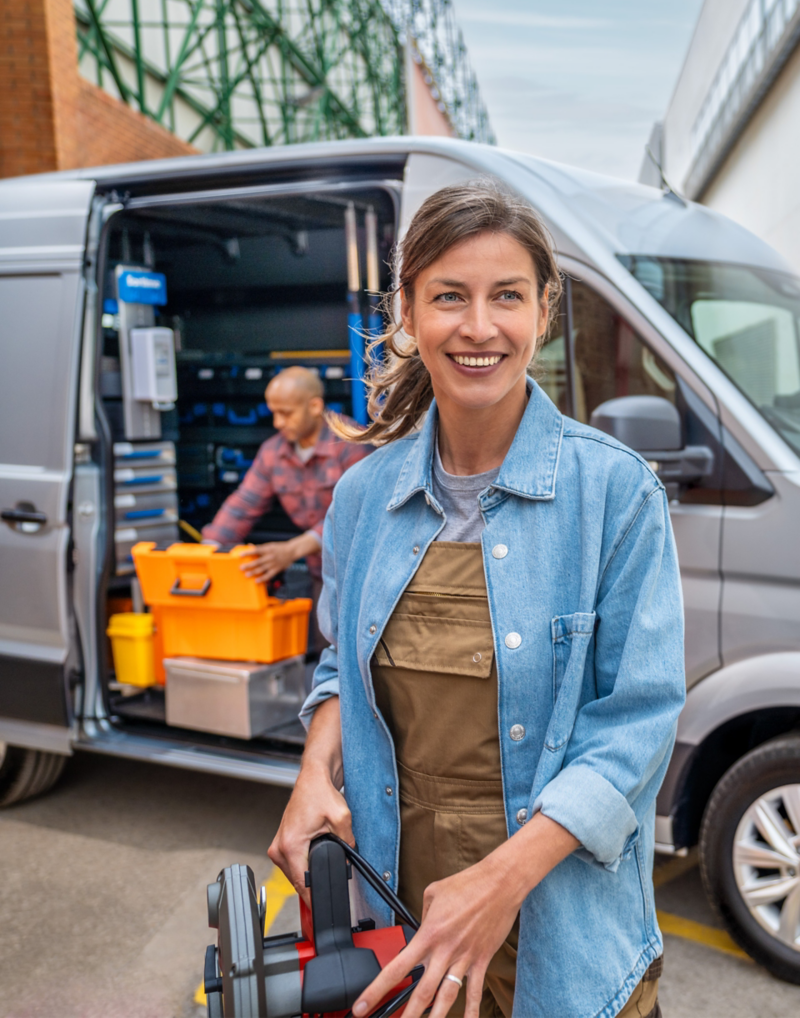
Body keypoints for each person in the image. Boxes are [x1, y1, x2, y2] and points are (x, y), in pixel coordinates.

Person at [268, 183, 685, 1018]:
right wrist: (315, 771)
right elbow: (336, 661)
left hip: (565, 940)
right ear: (408, 313)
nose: (479, 326)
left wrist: (497, 886)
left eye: (508, 296)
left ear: (543, 310)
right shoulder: (363, 500)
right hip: (408, 923)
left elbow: (634, 728)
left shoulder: (614, 494)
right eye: (449, 296)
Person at [201, 366, 370, 652]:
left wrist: (292, 550)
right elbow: (243, 506)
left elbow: (358, 515)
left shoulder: (352, 444)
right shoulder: (273, 451)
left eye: (286, 413)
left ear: (315, 406)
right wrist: (207, 553)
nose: (278, 422)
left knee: (358, 656)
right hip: (323, 576)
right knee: (327, 656)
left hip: (363, 578)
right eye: (273, 413)